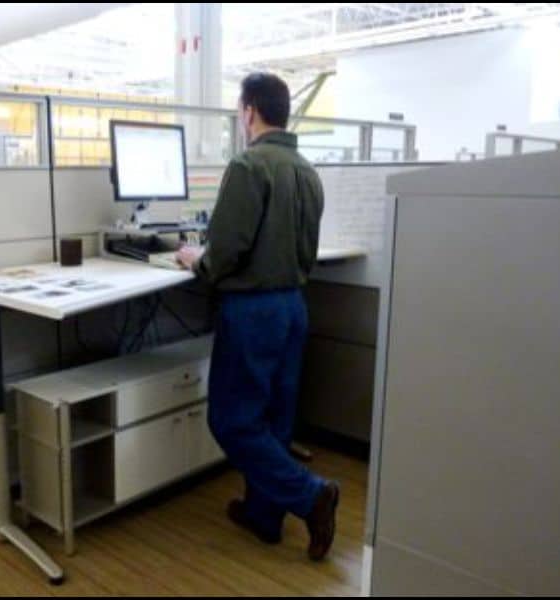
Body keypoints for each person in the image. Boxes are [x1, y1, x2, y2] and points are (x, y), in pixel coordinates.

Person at [175, 72, 338, 561]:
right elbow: (305, 248)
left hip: (254, 311)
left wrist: (194, 259)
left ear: (248, 111)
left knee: (231, 419)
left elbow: (224, 253)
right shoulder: (307, 171)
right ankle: (265, 517)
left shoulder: (249, 166)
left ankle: (311, 496)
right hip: (293, 306)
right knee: (274, 419)